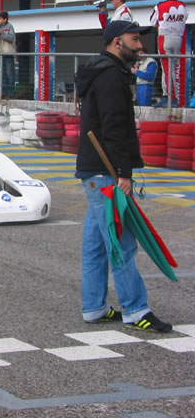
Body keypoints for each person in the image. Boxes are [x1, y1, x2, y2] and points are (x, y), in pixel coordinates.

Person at [75, 20, 172, 333]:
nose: (141, 46)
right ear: (117, 42)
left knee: (96, 244)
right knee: (121, 242)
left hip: (93, 168)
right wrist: (123, 173)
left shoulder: (99, 71)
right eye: (135, 39)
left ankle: (94, 308)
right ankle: (135, 309)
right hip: (105, 171)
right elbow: (114, 127)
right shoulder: (111, 77)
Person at [150, 0, 188, 106]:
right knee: (175, 69)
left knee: (166, 69)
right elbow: (185, 18)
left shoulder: (160, 5)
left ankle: (168, 97)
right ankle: (176, 97)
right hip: (178, 38)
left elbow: (152, 21)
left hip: (164, 38)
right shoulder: (183, 5)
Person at [0, 11, 16, 96]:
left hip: (8, 54)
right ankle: (3, 92)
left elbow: (11, 38)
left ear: (5, 19)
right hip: (0, 54)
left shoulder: (10, 27)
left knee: (9, 74)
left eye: (0, 19)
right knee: (2, 75)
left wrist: (2, 33)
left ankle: (11, 93)